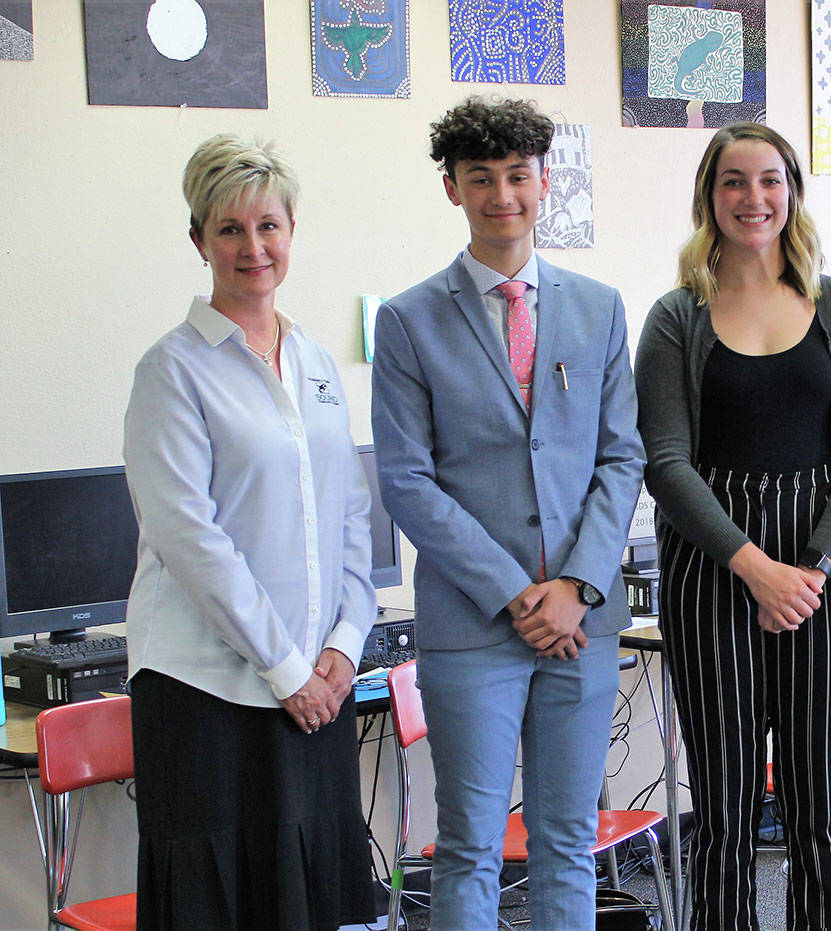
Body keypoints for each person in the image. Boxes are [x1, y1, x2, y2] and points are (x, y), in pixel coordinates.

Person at [370, 96, 645, 929]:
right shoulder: (409, 320)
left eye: (517, 176)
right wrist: (520, 593)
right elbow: (409, 481)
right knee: (471, 847)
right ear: (451, 188)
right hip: (474, 626)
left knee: (568, 841)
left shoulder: (598, 307)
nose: (502, 196)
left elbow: (621, 456)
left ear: (543, 181)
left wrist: (576, 586)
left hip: (583, 622)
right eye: (480, 178)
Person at [635, 121, 831, 930]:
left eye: (771, 179)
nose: (755, 198)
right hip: (714, 571)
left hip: (826, 574)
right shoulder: (678, 316)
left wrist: (810, 567)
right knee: (724, 807)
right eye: (735, 181)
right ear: (710, 197)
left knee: (819, 802)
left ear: (793, 192)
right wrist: (754, 565)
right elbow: (667, 461)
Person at [123, 134, 377, 930]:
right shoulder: (171, 371)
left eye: (268, 225)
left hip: (316, 688)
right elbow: (189, 538)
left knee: (308, 899)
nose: (252, 247)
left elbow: (352, 510)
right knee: (222, 902)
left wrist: (346, 640)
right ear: (198, 239)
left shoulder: (316, 363)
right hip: (206, 690)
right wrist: (286, 665)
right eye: (229, 229)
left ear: (291, 230)